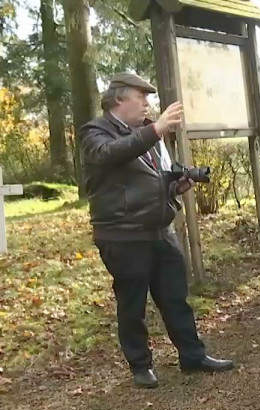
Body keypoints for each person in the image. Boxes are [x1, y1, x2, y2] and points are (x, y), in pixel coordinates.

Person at [80, 73, 233, 388]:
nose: (147, 105)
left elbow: (151, 179)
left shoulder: (142, 134)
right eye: (142, 97)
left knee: (176, 297)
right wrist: (156, 128)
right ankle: (140, 366)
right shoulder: (95, 133)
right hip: (123, 235)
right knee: (132, 303)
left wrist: (177, 185)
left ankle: (192, 355)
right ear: (120, 98)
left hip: (159, 231)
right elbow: (110, 155)